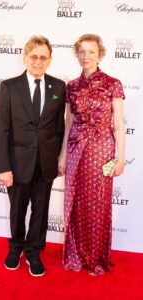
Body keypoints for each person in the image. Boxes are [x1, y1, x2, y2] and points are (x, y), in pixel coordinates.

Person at [0, 35, 66, 277]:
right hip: (16, 163)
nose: (38, 61)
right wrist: (3, 167)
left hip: (45, 163)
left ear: (49, 60)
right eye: (34, 56)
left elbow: (58, 127)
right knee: (17, 209)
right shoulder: (9, 86)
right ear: (25, 58)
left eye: (43, 57)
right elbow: (1, 129)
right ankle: (16, 247)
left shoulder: (58, 87)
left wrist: (56, 157)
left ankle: (34, 251)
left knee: (41, 209)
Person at [58, 34, 125, 276]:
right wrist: (64, 155)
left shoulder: (112, 83)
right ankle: (76, 255)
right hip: (76, 148)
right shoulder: (72, 86)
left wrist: (120, 157)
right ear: (77, 54)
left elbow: (118, 123)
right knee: (75, 202)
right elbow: (69, 122)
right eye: (82, 52)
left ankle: (95, 258)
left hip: (101, 150)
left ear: (100, 54)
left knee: (97, 202)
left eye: (91, 52)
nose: (86, 57)